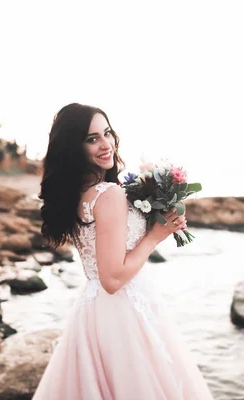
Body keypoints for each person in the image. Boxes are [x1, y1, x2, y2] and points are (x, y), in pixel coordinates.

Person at [32, 103, 214, 400]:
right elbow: (113, 280)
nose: (106, 144)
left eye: (107, 133)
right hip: (122, 313)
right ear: (73, 146)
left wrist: (158, 218)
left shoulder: (79, 193)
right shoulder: (109, 194)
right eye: (92, 139)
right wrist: (156, 236)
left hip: (93, 312)